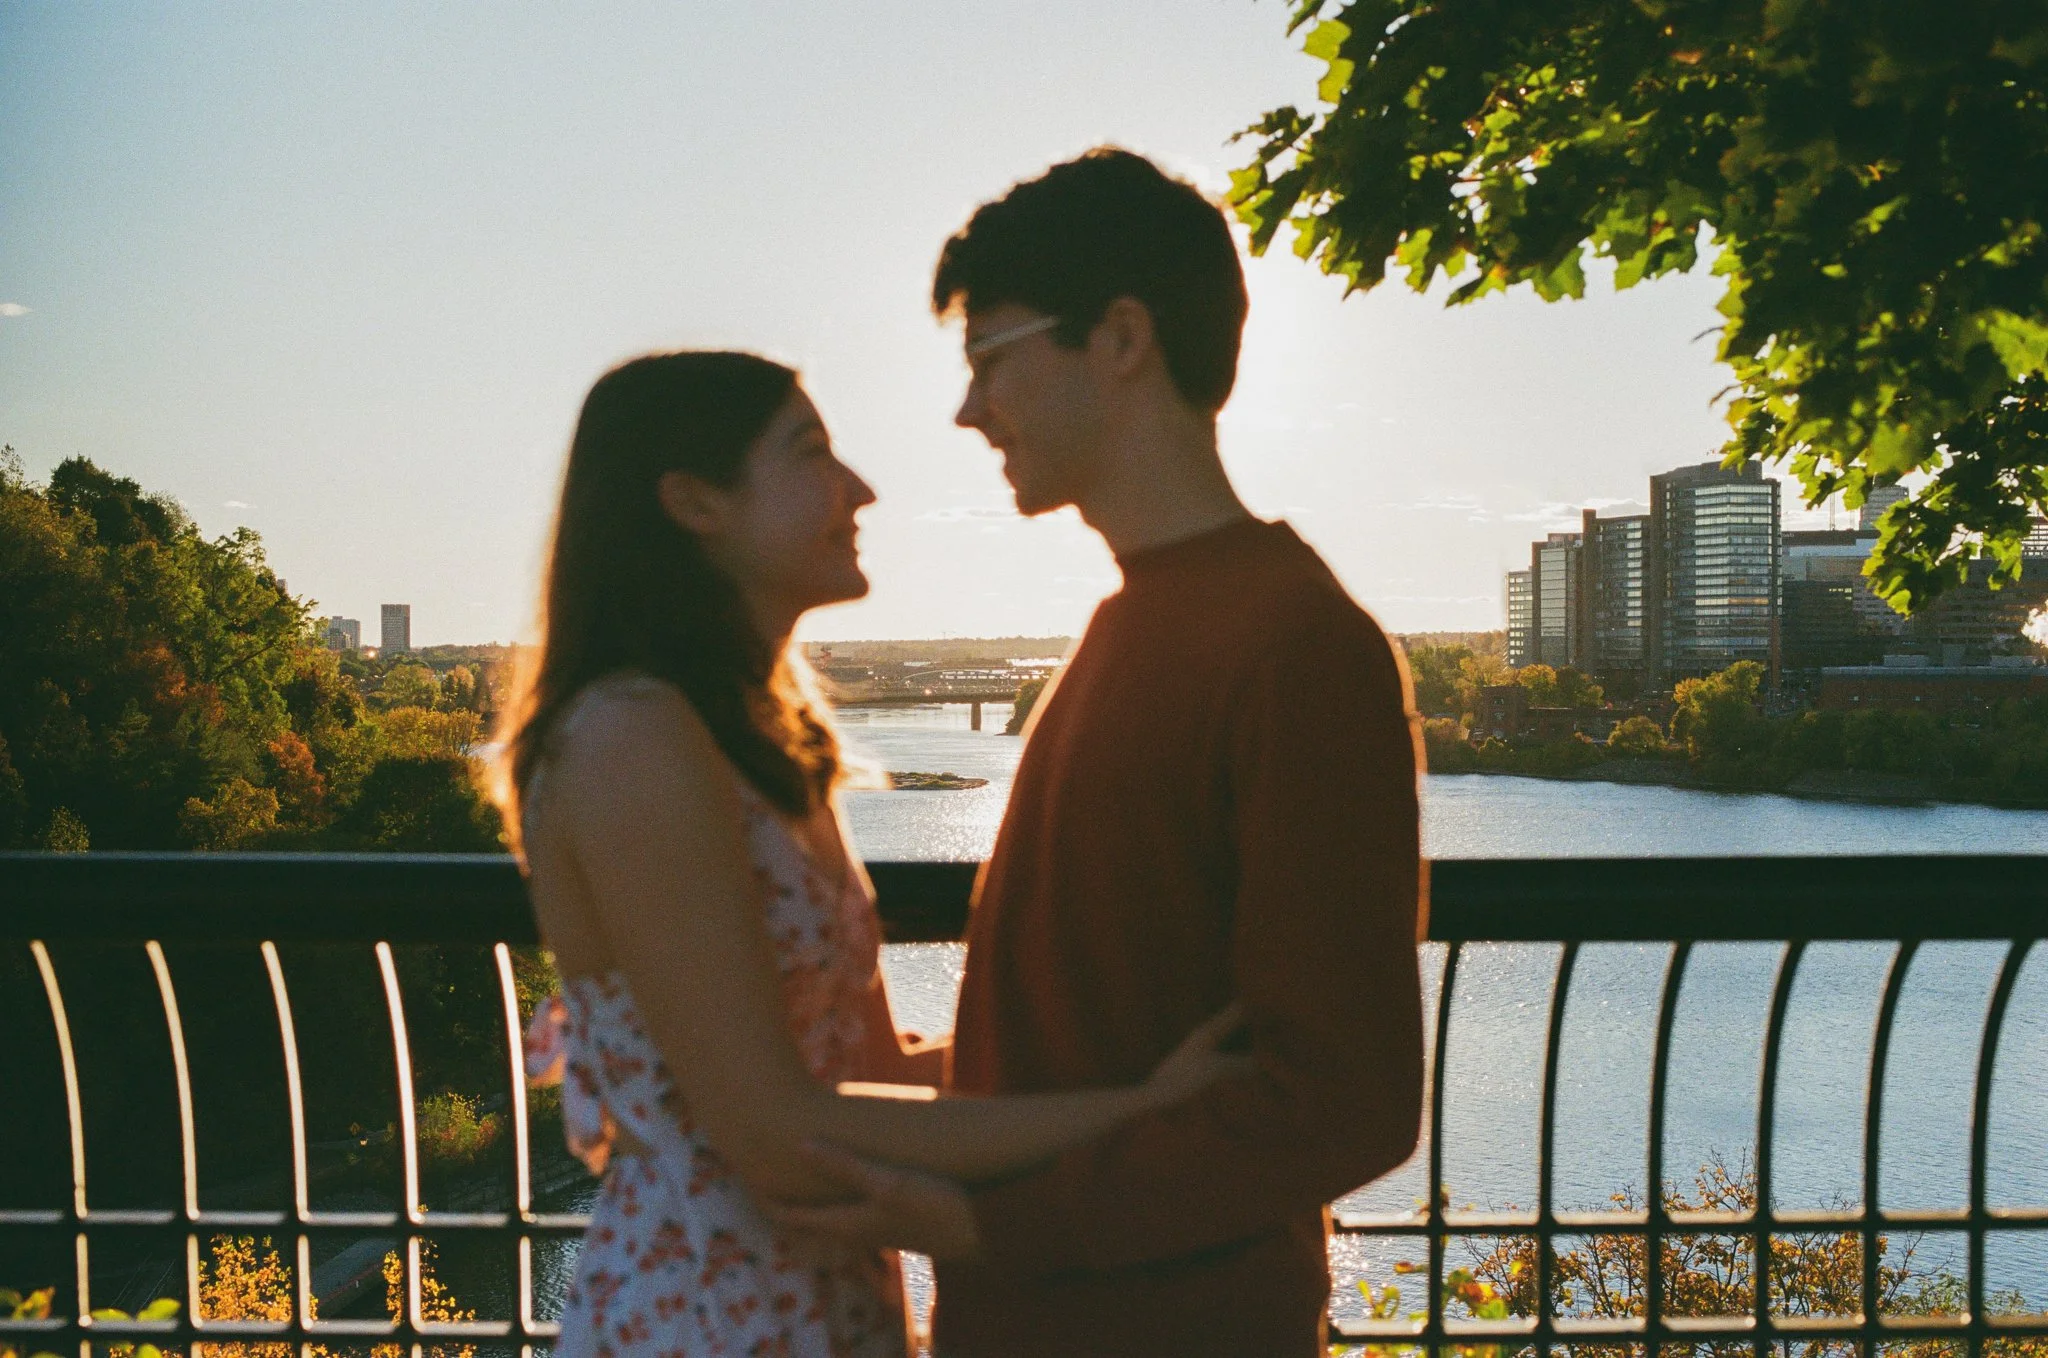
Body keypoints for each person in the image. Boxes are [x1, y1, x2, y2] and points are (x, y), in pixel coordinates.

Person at [767, 149, 1428, 1356]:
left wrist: (984, 1221)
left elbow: (1345, 1098)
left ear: (1120, 338)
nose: (969, 410)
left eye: (989, 358)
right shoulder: (1136, 623)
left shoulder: (1295, 647)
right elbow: (1097, 1018)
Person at [494, 351, 1249, 1358]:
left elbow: (875, 1071)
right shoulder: (631, 738)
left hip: (822, 1303)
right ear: (693, 501)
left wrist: (1149, 1042)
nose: (861, 488)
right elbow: (776, 1130)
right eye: (811, 454)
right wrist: (1133, 1112)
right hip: (704, 1319)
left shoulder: (765, 741)